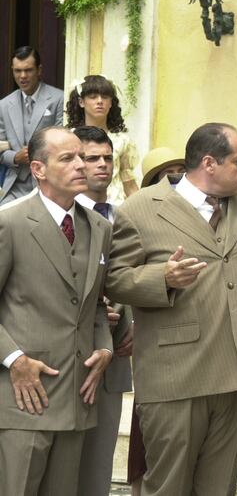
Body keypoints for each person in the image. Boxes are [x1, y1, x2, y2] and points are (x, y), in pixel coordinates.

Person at [105, 122, 237, 495]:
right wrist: (162, 278)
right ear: (209, 163)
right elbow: (115, 280)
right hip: (176, 377)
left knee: (220, 488)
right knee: (168, 487)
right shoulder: (140, 209)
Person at [0, 126, 113, 495]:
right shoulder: (10, 222)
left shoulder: (99, 227)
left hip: (78, 396)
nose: (82, 164)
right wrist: (15, 360)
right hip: (24, 399)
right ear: (38, 169)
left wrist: (105, 346)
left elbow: (95, 303)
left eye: (82, 155)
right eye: (68, 158)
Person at [70, 125, 134, 495]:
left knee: (98, 470)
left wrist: (133, 322)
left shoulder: (125, 216)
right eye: (91, 158)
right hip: (62, 359)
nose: (102, 166)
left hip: (112, 357)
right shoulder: (50, 215)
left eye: (107, 158)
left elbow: (133, 277)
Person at [126, 145, 185, 496]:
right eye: (168, 171)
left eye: (181, 168)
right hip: (152, 340)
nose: (176, 176)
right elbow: (123, 273)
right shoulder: (140, 213)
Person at [0, 46, 64, 204]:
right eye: (17, 71)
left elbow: (63, 142)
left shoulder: (59, 99)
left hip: (50, 182)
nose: (22, 76)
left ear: (39, 70)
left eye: (28, 70)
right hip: (14, 185)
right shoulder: (4, 105)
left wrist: (37, 154)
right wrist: (15, 157)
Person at [66, 74, 140, 205]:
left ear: (111, 102)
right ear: (81, 102)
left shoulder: (122, 140)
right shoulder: (68, 138)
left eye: (105, 97)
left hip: (115, 205)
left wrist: (142, 210)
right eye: (93, 97)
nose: (99, 101)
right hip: (78, 205)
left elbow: (128, 182)